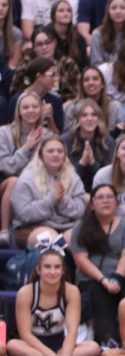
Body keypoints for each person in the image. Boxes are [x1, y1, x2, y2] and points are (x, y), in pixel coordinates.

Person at [7, 241, 100, 356]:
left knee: (93, 348)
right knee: (13, 346)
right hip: (34, 347)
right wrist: (49, 355)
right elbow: (25, 335)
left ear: (63, 270)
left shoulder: (71, 291)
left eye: (57, 267)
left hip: (60, 346)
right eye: (47, 267)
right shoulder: (26, 293)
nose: (52, 271)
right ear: (39, 269)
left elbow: (72, 331)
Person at [70, 183, 125, 348]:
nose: (105, 201)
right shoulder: (81, 227)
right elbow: (81, 260)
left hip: (119, 275)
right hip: (92, 277)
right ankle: (108, 340)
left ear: (117, 202)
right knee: (98, 290)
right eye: (100, 197)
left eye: (109, 197)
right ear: (92, 204)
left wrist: (117, 278)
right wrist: (104, 280)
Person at [11, 134, 85, 248]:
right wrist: (51, 200)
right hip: (32, 227)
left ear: (65, 155)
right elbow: (24, 214)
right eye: (50, 151)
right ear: (41, 155)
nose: (55, 154)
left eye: (60, 151)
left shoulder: (73, 178)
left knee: (75, 241)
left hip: (67, 226)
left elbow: (80, 210)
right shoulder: (27, 179)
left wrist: (62, 200)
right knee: (52, 241)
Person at [0, 91, 51, 247]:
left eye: (35, 106)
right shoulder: (4, 132)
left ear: (41, 110)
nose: (30, 110)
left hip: (36, 185)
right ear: (19, 111)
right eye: (26, 107)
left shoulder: (47, 135)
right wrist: (26, 149)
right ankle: (4, 230)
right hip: (7, 184)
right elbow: (5, 167)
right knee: (15, 181)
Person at [61, 98, 115, 191]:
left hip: (100, 192)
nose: (89, 119)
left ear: (99, 119)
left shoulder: (107, 141)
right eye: (84, 115)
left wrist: (92, 163)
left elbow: (109, 179)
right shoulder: (65, 141)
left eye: (94, 115)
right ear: (77, 119)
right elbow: (66, 180)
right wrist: (82, 163)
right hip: (71, 191)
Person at [63, 65, 125, 132]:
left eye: (95, 79)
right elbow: (67, 137)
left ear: (103, 84)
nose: (91, 83)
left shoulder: (115, 107)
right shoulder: (72, 109)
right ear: (82, 85)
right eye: (86, 80)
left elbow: (121, 136)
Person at [90, 0, 125, 66]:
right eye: (114, 8)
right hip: (105, 74)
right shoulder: (97, 34)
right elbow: (96, 64)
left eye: (123, 8)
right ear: (108, 11)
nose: (118, 11)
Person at [49, 0, 88, 70]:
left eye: (69, 11)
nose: (66, 13)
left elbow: (83, 66)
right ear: (53, 15)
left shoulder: (79, 39)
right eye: (61, 11)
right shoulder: (46, 34)